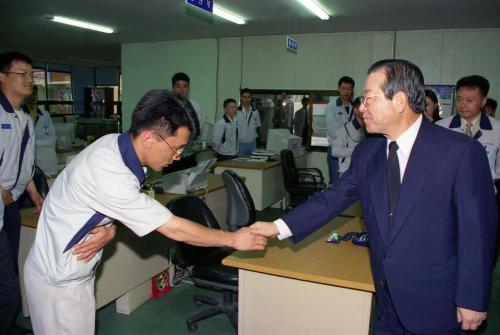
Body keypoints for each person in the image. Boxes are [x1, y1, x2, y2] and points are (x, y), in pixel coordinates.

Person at [251, 59, 497, 334]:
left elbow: (478, 233)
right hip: (386, 300)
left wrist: (472, 298)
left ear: (400, 100)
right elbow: (331, 199)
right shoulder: (368, 154)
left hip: (438, 304)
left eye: (369, 99)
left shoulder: (459, 152)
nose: (360, 107)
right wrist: (276, 227)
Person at [23, 90, 267, 334]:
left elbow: (104, 203)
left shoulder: (114, 144)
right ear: (150, 139)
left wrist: (111, 228)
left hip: (70, 271)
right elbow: (173, 228)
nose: (178, 155)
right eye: (177, 147)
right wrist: (232, 238)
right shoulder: (108, 173)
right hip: (57, 284)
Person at [0, 52, 44, 267]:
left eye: (31, 74)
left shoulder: (25, 117)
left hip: (12, 202)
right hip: (3, 196)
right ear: (2, 76)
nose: (29, 80)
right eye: (22, 74)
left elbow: (24, 162)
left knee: (10, 264)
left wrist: (34, 192)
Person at [436, 75, 500, 184]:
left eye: (469, 100)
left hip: (484, 193)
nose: (463, 105)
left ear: (483, 101)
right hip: (449, 194)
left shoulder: (497, 129)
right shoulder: (440, 127)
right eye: (459, 99)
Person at [163, 72, 203, 173]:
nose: (181, 90)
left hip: (189, 155)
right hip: (170, 157)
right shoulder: (165, 106)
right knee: (171, 187)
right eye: (178, 86)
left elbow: (197, 130)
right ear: (173, 88)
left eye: (185, 86)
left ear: (188, 89)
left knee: (190, 185)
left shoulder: (196, 107)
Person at [326, 76, 355, 185]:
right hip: (335, 149)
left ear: (352, 90)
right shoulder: (331, 107)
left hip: (350, 150)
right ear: (338, 88)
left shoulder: (355, 107)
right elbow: (334, 130)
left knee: (348, 181)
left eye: (349, 89)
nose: (346, 91)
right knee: (335, 181)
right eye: (343, 88)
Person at [24, 85, 58, 176]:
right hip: (27, 163)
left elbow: (53, 137)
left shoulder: (45, 114)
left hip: (46, 160)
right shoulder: (20, 115)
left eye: (35, 94)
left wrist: (35, 142)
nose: (33, 97)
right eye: (30, 94)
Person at [331, 97, 364, 177]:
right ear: (355, 110)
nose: (365, 109)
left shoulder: (371, 130)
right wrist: (357, 150)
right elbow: (335, 151)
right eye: (362, 107)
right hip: (347, 173)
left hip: (363, 173)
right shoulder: (344, 130)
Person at [236, 88, 261, 157]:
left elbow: (257, 127)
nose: (246, 100)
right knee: (240, 164)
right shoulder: (236, 112)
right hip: (240, 143)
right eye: (244, 97)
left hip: (252, 143)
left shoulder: (255, 112)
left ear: (251, 98)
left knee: (253, 164)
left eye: (249, 97)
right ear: (241, 98)